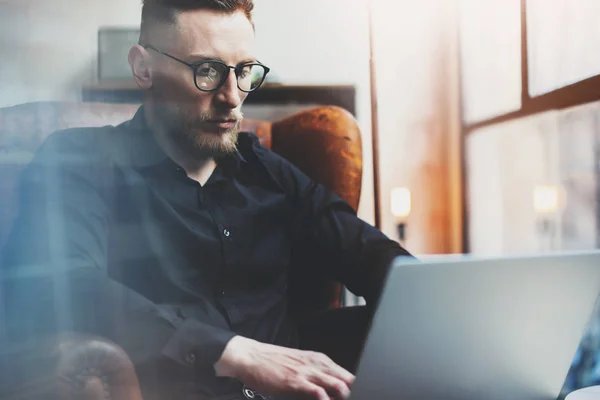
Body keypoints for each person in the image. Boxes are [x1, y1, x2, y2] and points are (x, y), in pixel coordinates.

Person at [0, 0, 412, 399]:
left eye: (245, 71)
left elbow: (373, 257)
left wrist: (442, 310)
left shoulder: (268, 170)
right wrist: (232, 351)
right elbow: (59, 283)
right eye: (208, 70)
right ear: (144, 68)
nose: (232, 96)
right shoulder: (81, 161)